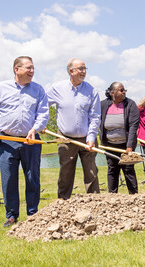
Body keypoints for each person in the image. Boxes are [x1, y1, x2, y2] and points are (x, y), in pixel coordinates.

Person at [0, 56, 49, 227]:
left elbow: (43, 113)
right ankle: (11, 215)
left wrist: (35, 128)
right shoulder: (0, 88)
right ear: (16, 69)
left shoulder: (38, 90)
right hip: (7, 141)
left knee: (32, 177)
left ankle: (33, 214)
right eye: (28, 68)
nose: (32, 71)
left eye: (33, 68)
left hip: (31, 140)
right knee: (9, 179)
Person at [47, 58, 101, 199]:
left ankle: (95, 202)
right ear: (71, 71)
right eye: (80, 69)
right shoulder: (57, 88)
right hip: (66, 138)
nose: (84, 72)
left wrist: (90, 138)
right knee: (66, 172)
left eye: (84, 69)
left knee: (91, 172)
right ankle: (63, 203)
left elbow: (95, 116)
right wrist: (41, 123)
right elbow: (42, 106)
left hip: (87, 138)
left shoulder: (91, 90)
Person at [100, 82, 140, 194]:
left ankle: (134, 195)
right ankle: (112, 196)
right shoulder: (103, 105)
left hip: (125, 145)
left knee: (128, 169)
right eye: (121, 90)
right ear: (112, 92)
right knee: (112, 169)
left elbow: (133, 126)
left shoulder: (130, 104)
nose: (124, 92)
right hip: (109, 145)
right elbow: (96, 121)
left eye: (124, 90)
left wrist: (130, 146)